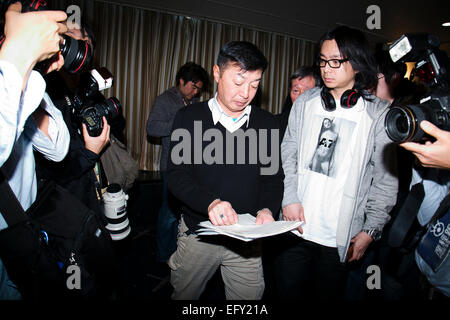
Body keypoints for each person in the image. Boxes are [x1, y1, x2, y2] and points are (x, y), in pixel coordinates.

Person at [277, 25, 398, 300]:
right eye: (322, 61)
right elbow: (290, 149)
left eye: (335, 62)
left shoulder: (377, 115)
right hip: (294, 228)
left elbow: (386, 179)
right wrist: (289, 197)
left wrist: (370, 230)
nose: (326, 68)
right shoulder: (305, 102)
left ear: (355, 64)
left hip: (339, 239)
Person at [166, 41, 284, 300]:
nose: (246, 93)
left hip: (247, 240)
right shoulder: (189, 118)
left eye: (255, 84)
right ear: (217, 73)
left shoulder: (266, 123)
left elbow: (273, 178)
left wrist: (266, 209)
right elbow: (176, 174)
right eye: (239, 82)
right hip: (200, 234)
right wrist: (209, 203)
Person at [0, 2, 70, 299]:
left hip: (21, 226)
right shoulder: (11, 64)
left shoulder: (24, 76)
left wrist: (29, 71)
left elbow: (58, 148)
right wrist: (16, 56)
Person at [146, 61, 210, 263]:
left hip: (192, 168)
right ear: (181, 81)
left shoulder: (192, 103)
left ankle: (177, 252)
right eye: (193, 86)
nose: (195, 92)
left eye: (199, 89)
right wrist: (180, 124)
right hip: (171, 167)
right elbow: (152, 128)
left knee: (184, 214)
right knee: (169, 214)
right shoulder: (165, 100)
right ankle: (163, 255)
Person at [278, 66, 319, 138]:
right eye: (296, 91)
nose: (301, 97)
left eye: (307, 92)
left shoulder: (325, 126)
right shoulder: (276, 124)